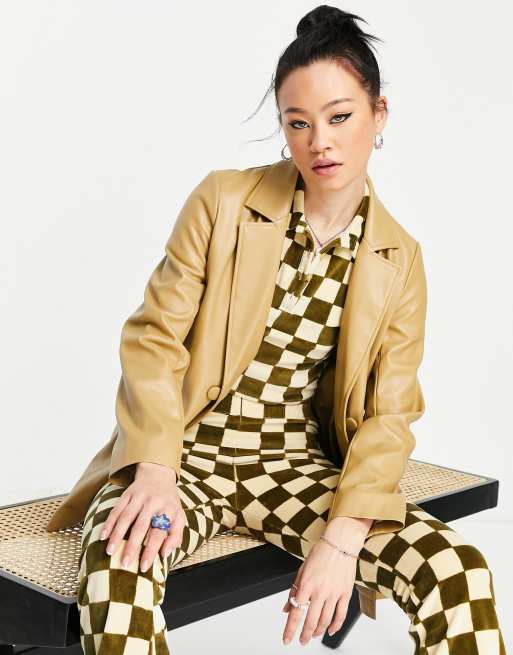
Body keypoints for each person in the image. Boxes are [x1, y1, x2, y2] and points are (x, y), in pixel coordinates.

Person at [45, 5, 506, 654]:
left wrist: (342, 539)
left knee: (457, 571)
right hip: (184, 455)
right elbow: (153, 340)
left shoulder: (398, 258)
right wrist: (154, 470)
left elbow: (389, 416)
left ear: (378, 115)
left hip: (291, 467)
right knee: (119, 566)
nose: (319, 142)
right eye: (298, 122)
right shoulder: (223, 202)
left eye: (340, 117)